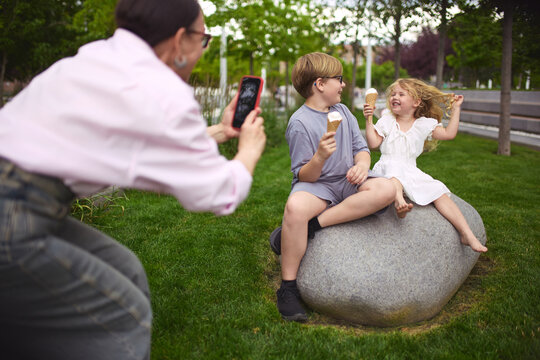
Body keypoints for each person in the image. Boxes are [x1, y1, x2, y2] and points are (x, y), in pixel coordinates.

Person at [0, 0, 266, 359]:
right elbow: (220, 193)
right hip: (14, 215)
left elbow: (141, 139)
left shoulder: (98, 57)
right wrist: (248, 152)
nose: (202, 51)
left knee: (125, 269)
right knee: (123, 318)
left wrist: (220, 129)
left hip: (22, 200)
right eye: (203, 40)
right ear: (178, 41)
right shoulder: (160, 91)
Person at [268, 52, 395, 322]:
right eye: (338, 79)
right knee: (295, 207)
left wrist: (361, 165)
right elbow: (305, 175)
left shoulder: (343, 111)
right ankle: (288, 289)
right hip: (319, 186)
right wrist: (320, 158)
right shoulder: (299, 123)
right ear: (319, 84)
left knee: (386, 190)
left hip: (347, 181)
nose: (343, 84)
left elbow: (362, 149)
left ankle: (310, 228)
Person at [363, 78, 487, 253]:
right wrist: (368, 120)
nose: (394, 97)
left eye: (401, 94)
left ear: (416, 102)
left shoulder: (423, 124)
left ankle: (467, 233)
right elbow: (373, 143)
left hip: (410, 170)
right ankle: (399, 204)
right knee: (394, 176)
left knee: (439, 191)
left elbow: (449, 134)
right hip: (387, 166)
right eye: (393, 94)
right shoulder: (387, 120)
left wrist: (456, 108)